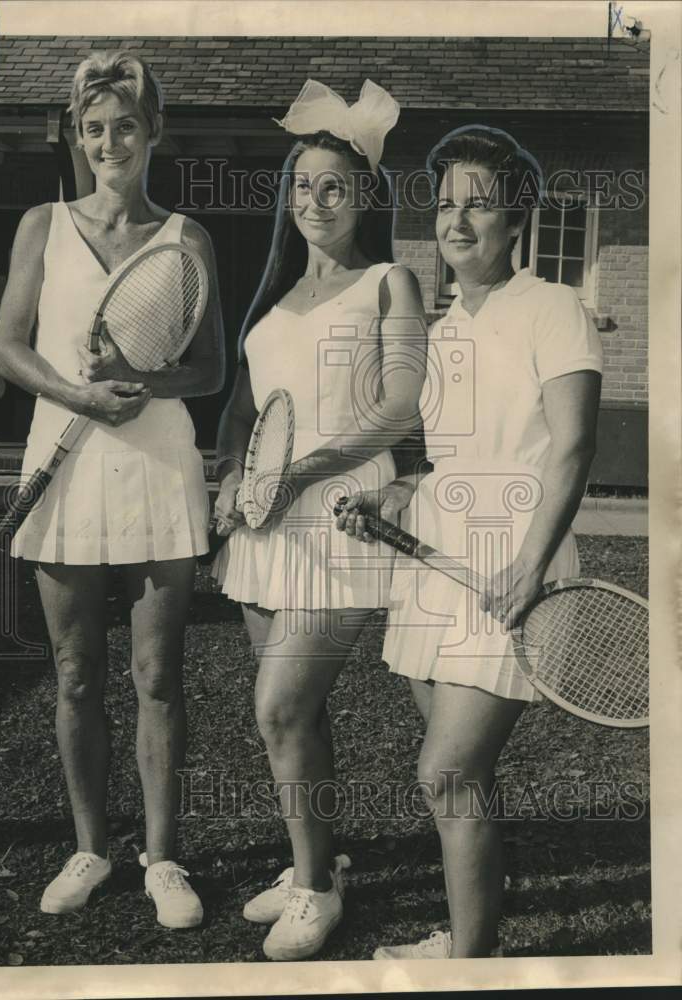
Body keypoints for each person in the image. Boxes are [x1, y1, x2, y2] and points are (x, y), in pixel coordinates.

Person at [337, 125, 603, 959]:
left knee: (445, 772)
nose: (457, 222)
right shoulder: (444, 331)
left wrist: (528, 566)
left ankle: (468, 963)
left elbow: (573, 446)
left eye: (478, 205)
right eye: (446, 204)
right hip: (437, 572)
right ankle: (467, 939)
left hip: (517, 566)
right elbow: (448, 466)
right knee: (460, 780)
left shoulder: (554, 307)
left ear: (515, 217)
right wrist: (391, 493)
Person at [0, 51, 225, 928]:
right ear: (76, 136)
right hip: (65, 458)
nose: (108, 142)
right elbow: (11, 345)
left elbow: (205, 370)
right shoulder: (39, 225)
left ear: (153, 131)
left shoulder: (186, 237)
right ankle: (91, 848)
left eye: (125, 125)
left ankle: (164, 859)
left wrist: (141, 383)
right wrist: (79, 394)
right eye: (93, 129)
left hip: (160, 464)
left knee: (158, 675)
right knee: (77, 674)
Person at [212, 80, 427, 961]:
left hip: (341, 520)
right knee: (299, 718)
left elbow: (402, 405)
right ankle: (319, 865)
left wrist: (299, 472)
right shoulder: (272, 301)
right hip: (263, 529)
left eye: (335, 185)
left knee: (279, 706)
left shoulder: (392, 280)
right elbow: (245, 412)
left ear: (365, 194)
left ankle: (313, 893)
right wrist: (230, 478)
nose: (316, 200)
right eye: (304, 185)